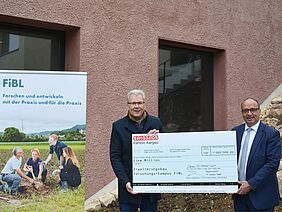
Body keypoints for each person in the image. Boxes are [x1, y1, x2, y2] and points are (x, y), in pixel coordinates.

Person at [110, 89, 164, 212]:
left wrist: (155, 140)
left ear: (144, 103)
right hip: (128, 184)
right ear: (128, 105)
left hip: (150, 184)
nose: (136, 106)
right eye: (133, 103)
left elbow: (164, 151)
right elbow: (115, 157)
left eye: (139, 103)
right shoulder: (118, 126)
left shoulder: (156, 123)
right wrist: (124, 181)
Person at [232, 97, 281, 211]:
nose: (249, 113)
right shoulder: (235, 132)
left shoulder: (271, 134)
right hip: (239, 195)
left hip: (262, 196)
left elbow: (272, 164)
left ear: (259, 111)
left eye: (253, 110)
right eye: (245, 110)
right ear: (242, 113)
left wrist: (250, 184)